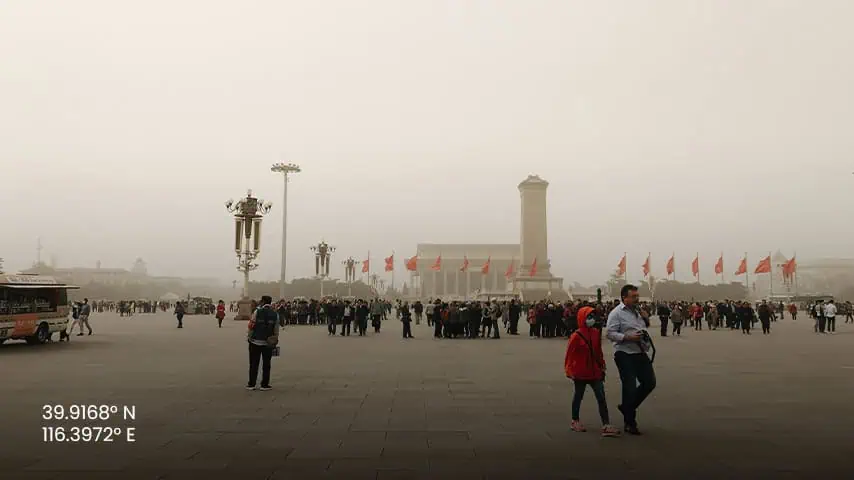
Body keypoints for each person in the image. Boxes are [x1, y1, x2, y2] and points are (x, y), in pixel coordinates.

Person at [606, 285, 656, 436]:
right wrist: (627, 337)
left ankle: (627, 407)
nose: (637, 299)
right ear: (624, 298)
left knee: (649, 382)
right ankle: (630, 422)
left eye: (637, 296)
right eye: (633, 296)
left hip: (639, 351)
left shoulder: (638, 312)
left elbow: (643, 327)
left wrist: (646, 319)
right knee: (629, 387)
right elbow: (610, 333)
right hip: (624, 353)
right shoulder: (616, 314)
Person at [564, 306, 620, 437]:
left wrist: (602, 365)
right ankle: (575, 420)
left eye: (592, 317)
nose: (591, 319)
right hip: (580, 371)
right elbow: (569, 355)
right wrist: (569, 369)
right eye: (588, 317)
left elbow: (598, 351)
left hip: (594, 370)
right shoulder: (576, 336)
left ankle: (606, 424)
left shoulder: (595, 332)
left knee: (601, 397)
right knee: (578, 396)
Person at [246, 295, 279, 391]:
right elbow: (276, 329)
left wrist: (249, 337)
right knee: (266, 364)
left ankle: (251, 384)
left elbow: (251, 325)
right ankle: (264, 384)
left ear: (263, 302)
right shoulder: (274, 314)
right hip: (268, 343)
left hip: (255, 341)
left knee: (253, 364)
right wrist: (275, 340)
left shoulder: (257, 311)